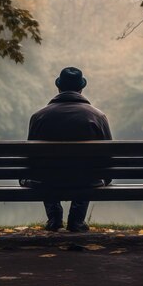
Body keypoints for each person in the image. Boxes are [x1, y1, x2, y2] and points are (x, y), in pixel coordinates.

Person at [21, 67, 112, 232]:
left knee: (43, 171)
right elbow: (108, 157)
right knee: (88, 172)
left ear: (59, 88)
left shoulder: (39, 116)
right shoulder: (97, 116)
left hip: (47, 180)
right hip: (86, 181)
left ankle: (54, 217)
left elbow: (31, 158)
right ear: (81, 89)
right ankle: (77, 219)